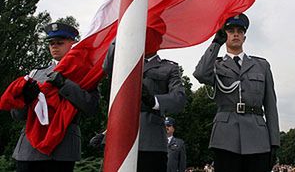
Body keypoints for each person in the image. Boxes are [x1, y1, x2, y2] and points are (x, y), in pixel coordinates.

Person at [193, 13, 280, 172]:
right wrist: (215, 44)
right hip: (226, 137)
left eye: (239, 31)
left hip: (257, 137)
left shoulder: (261, 65)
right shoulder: (216, 65)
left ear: (244, 37)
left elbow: (270, 106)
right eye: (230, 30)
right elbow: (200, 74)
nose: (235, 34)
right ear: (224, 35)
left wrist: (274, 141)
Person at [11, 22, 100, 172]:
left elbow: (91, 108)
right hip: (29, 150)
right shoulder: (35, 74)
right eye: (51, 43)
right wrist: (25, 99)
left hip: (61, 149)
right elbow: (17, 115)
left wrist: (65, 84)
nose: (54, 46)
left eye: (60, 42)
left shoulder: (84, 74)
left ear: (72, 44)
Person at [102, 28, 186, 172]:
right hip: (120, 134)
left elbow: (179, 99)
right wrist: (123, 30)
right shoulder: (124, 62)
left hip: (151, 140)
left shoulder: (169, 68)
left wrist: (154, 101)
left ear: (159, 41)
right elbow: (107, 66)